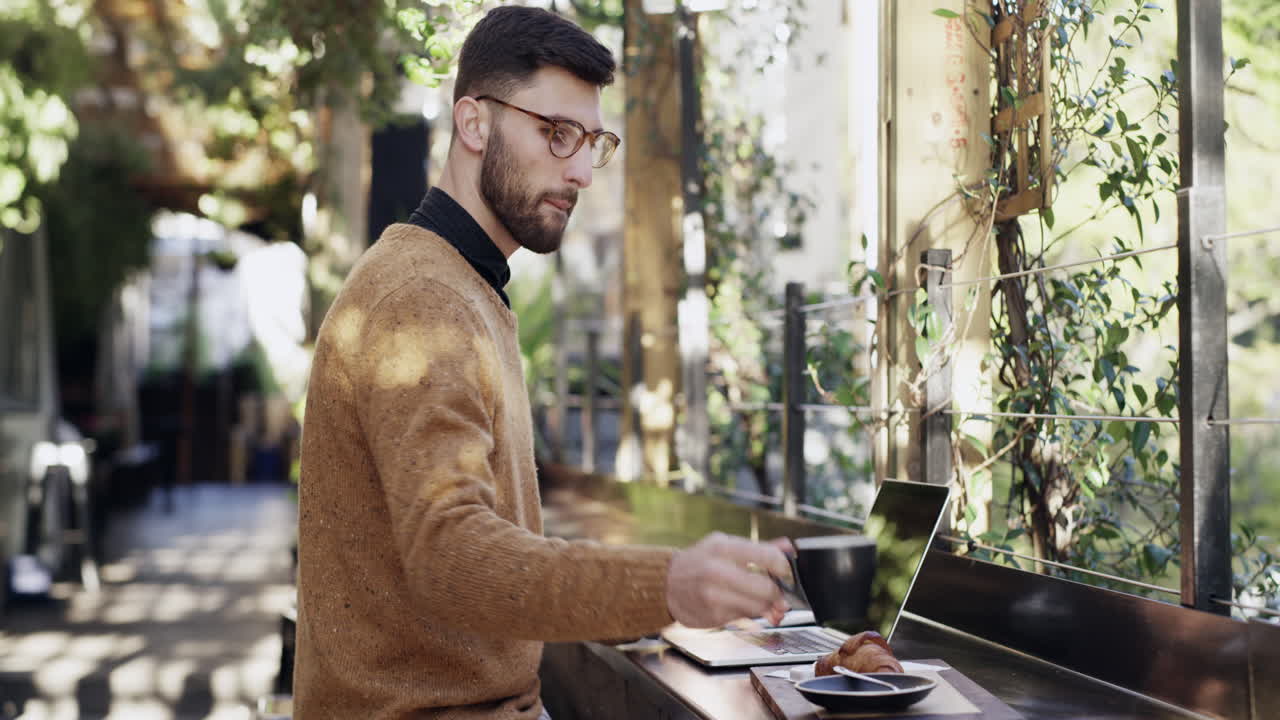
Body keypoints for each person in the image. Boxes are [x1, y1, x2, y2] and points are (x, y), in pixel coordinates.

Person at [292, 6, 793, 718]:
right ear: (473, 123)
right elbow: (451, 553)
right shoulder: (424, 297)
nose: (583, 171)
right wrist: (671, 584)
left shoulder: (458, 284)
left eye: (593, 142)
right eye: (557, 135)